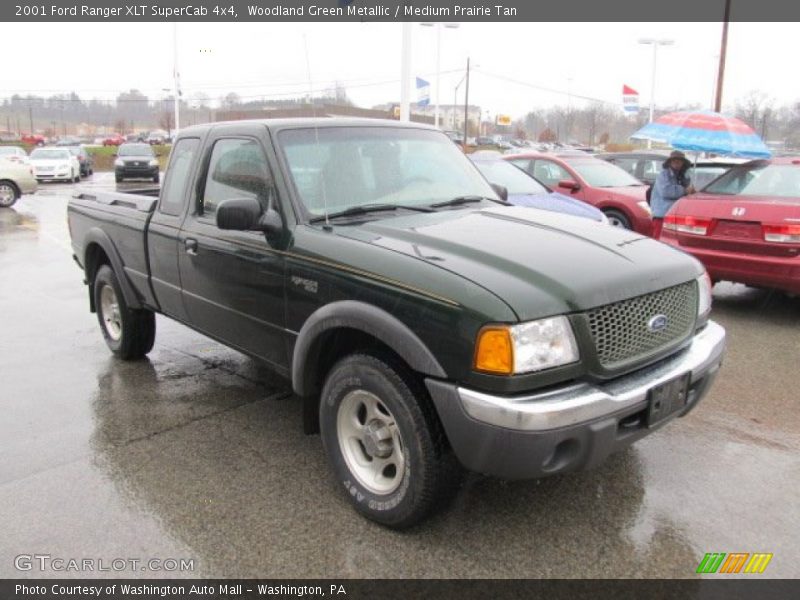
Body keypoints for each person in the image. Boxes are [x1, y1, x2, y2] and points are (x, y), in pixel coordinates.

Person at [650, 150, 695, 238]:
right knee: (659, 241)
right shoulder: (663, 174)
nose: (676, 162)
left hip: (674, 215)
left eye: (679, 160)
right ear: (670, 162)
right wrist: (685, 190)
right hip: (662, 216)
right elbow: (666, 191)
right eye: (674, 160)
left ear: (683, 163)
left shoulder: (682, 176)